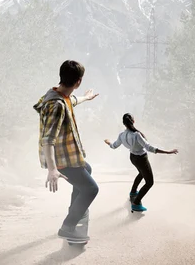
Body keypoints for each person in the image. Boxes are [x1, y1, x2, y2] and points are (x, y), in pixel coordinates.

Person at [33, 60, 99, 242]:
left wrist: (86, 98)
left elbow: (72, 101)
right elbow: (48, 139)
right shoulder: (57, 105)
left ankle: (76, 212)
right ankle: (68, 226)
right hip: (61, 159)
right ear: (78, 82)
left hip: (68, 156)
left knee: (88, 169)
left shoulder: (59, 95)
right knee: (91, 189)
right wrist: (52, 169)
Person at [104, 113, 178, 212]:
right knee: (149, 182)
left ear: (123, 123)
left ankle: (133, 192)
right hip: (141, 159)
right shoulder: (136, 135)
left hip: (133, 158)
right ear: (133, 121)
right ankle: (136, 202)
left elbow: (114, 146)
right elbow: (149, 147)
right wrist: (168, 152)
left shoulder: (121, 135)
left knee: (141, 173)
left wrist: (108, 142)